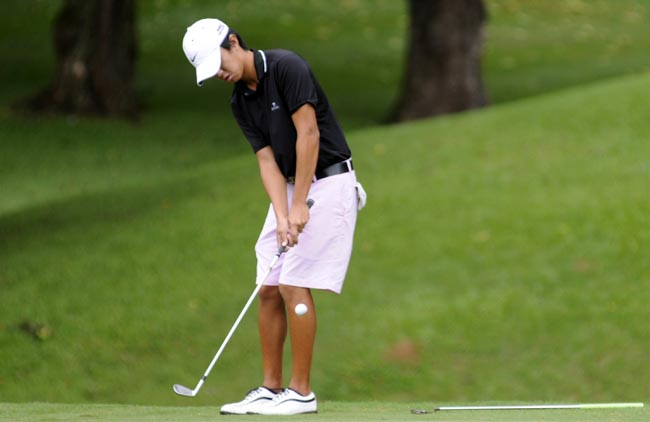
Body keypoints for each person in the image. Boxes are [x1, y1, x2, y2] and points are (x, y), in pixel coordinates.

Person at [182, 18, 365, 415]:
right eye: (211, 72)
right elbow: (266, 160)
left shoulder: (286, 67)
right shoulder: (239, 101)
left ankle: (301, 393)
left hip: (328, 180)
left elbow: (309, 134)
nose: (220, 74)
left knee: (294, 281)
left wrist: (299, 204)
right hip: (288, 186)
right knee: (268, 283)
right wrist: (283, 214)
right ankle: (270, 388)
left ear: (233, 41)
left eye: (219, 63)